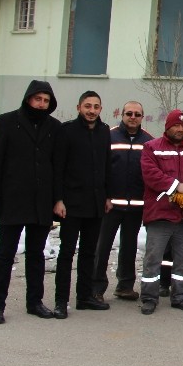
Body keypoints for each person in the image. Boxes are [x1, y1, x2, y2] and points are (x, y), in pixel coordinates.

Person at [0, 80, 62, 324]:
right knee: (5, 254)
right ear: (28, 98)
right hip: (12, 200)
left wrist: (57, 199)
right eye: (38, 99)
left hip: (41, 203)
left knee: (36, 255)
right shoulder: (6, 122)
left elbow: (58, 167)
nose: (41, 104)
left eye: (46, 100)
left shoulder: (54, 127)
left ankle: (34, 302)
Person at [139, 110, 183, 315]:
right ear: (167, 127)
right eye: (175, 126)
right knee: (153, 258)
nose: (179, 129)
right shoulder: (151, 147)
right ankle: (149, 298)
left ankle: (180, 296)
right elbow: (151, 174)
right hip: (160, 213)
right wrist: (176, 187)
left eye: (182, 126)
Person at [52, 90, 111, 319]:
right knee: (67, 253)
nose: (92, 111)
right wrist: (58, 199)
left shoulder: (104, 132)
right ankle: (61, 301)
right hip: (71, 204)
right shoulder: (66, 132)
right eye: (88, 106)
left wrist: (107, 196)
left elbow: (106, 166)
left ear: (100, 109)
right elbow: (58, 168)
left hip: (96, 204)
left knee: (89, 253)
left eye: (96, 106)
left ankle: (85, 297)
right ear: (79, 107)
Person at [92, 100, 153, 303]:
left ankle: (125, 286)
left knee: (129, 246)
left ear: (142, 117)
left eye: (137, 114)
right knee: (103, 247)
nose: (133, 117)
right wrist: (104, 197)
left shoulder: (149, 141)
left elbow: (150, 174)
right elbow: (99, 170)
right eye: (129, 113)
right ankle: (96, 288)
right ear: (122, 115)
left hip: (136, 205)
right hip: (111, 204)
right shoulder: (108, 136)